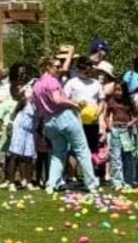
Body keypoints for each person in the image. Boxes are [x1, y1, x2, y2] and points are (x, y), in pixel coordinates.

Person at [33, 57, 99, 193]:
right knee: (82, 150)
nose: (59, 69)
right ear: (48, 67)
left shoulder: (36, 85)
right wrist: (74, 103)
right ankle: (91, 184)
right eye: (56, 67)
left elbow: (37, 108)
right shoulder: (52, 81)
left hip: (49, 122)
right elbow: (57, 100)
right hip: (64, 117)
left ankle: (51, 184)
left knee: (57, 153)